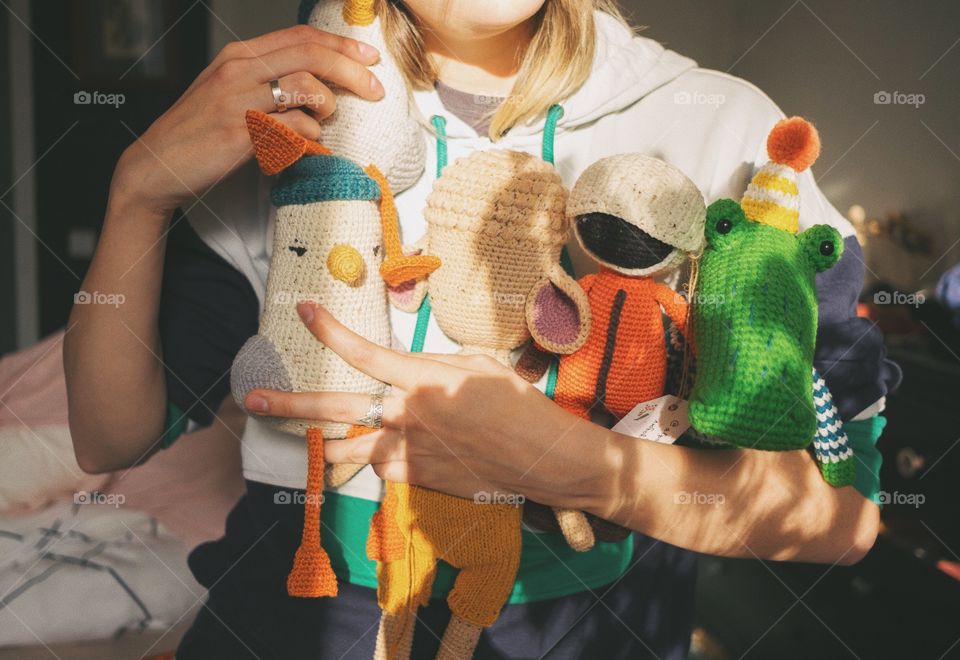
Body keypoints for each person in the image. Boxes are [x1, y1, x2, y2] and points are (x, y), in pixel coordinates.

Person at [64, 1, 900, 657]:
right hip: (288, 617)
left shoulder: (721, 129)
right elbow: (109, 436)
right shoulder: (287, 119)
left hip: (595, 633)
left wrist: (576, 467)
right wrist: (138, 190)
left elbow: (845, 514)